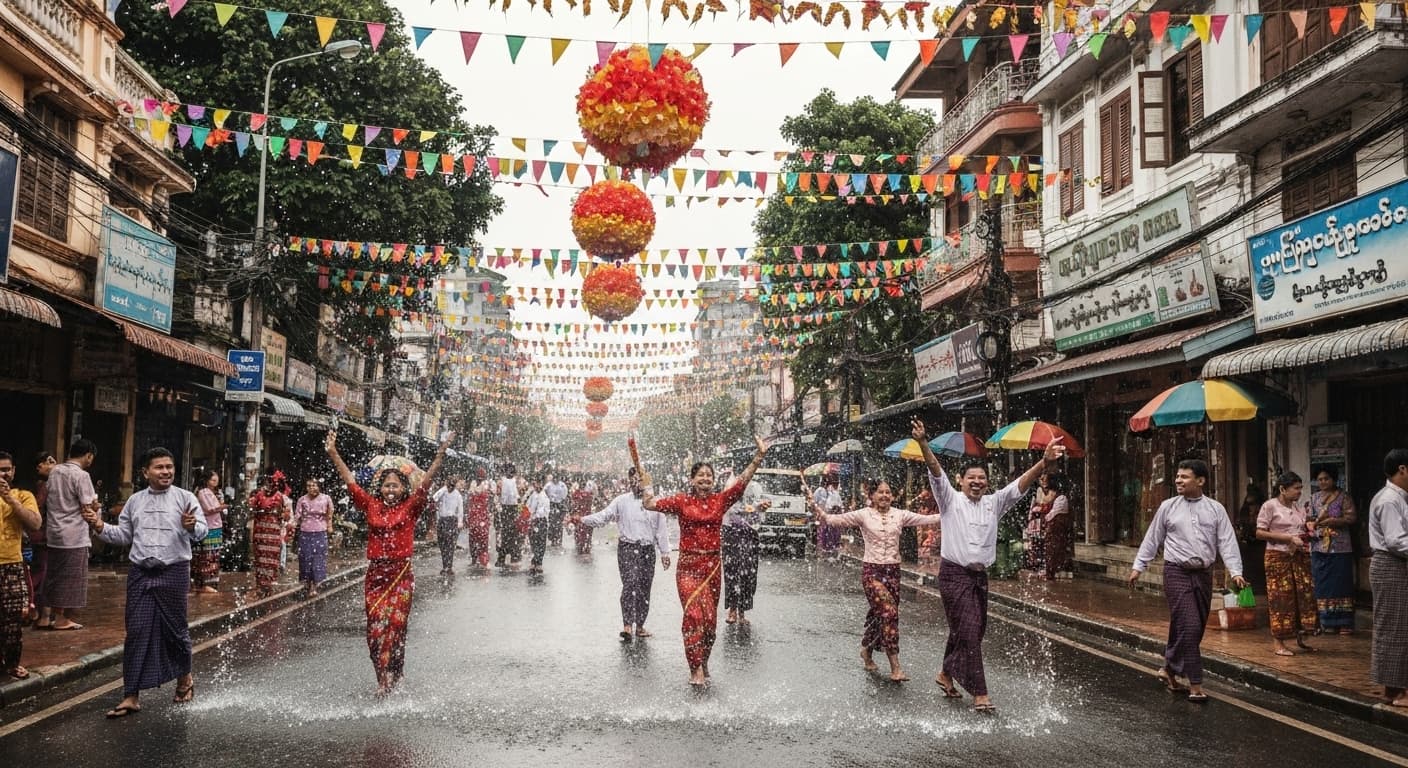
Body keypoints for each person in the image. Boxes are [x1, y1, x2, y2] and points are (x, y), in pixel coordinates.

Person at [913, 417, 1064, 713]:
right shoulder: (949, 500)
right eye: (971, 478)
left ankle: (945, 673)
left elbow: (1020, 485)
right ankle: (980, 693)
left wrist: (1043, 463)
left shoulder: (994, 503)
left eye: (981, 478)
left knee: (971, 630)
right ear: (961, 480)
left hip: (980, 578)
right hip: (953, 575)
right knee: (969, 631)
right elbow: (935, 471)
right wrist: (922, 443)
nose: (977, 482)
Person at [326, 429, 452, 694]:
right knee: (374, 631)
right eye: (387, 485)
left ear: (403, 488)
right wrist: (334, 453)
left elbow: (427, 481)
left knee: (394, 628)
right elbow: (350, 481)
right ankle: (381, 676)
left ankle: (393, 676)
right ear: (380, 488)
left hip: (400, 574)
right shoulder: (370, 505)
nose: (391, 489)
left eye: (395, 485)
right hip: (376, 575)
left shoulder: (412, 506)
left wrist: (440, 454)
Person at [85, 447, 206, 717]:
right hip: (140, 572)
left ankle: (184, 680)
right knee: (137, 631)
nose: (166, 471)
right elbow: (123, 536)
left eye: (169, 467)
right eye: (159, 467)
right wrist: (99, 525)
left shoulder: (185, 498)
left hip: (174, 570)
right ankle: (131, 695)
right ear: (145, 472)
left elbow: (201, 532)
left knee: (176, 630)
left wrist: (190, 526)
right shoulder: (135, 501)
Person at [643, 435, 768, 687]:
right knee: (693, 616)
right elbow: (649, 504)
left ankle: (704, 659)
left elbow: (741, 484)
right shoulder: (681, 501)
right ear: (692, 479)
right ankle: (695, 668)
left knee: (710, 623)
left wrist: (759, 457)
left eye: (709, 476)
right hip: (688, 567)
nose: (705, 479)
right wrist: (646, 488)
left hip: (712, 568)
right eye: (700, 475)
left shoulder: (720, 501)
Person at [1128, 459, 1246, 704]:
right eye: (1178, 477)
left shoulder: (1216, 509)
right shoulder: (1168, 507)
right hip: (1176, 572)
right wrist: (1138, 566)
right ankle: (1196, 684)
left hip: (1204, 573)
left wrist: (1235, 571)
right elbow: (1153, 538)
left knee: (1191, 625)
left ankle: (1170, 669)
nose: (1178, 481)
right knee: (1190, 625)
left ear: (1200, 481)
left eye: (1185, 477)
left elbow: (1226, 541)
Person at [815, 478, 942, 682]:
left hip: (893, 572)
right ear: (872, 496)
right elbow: (835, 520)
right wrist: (822, 514)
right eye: (880, 492)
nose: (885, 496)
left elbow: (927, 519)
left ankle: (866, 650)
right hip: (871, 572)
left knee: (880, 616)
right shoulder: (863, 515)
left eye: (888, 492)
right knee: (889, 613)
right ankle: (896, 667)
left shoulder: (900, 515)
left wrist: (951, 511)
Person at [574, 468, 672, 640]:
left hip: (647, 550)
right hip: (627, 548)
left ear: (646, 481)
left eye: (639, 479)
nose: (636, 483)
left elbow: (661, 530)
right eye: (633, 479)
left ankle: (640, 625)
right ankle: (627, 625)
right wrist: (583, 519)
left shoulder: (655, 503)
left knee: (644, 587)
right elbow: (603, 516)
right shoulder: (621, 501)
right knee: (630, 584)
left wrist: (665, 552)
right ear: (629, 481)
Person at [1256, 471, 1316, 656]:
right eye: (1295, 488)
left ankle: (1300, 636)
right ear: (1283, 489)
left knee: (1302, 596)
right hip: (1277, 556)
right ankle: (1278, 642)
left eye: (1300, 488)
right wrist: (1287, 538)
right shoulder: (1270, 506)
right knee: (1280, 598)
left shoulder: (1298, 508)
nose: (1299, 492)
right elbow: (1260, 532)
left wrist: (1308, 529)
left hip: (1298, 556)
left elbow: (1300, 528)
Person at [43, 439, 100, 631]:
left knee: (53, 575)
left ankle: (45, 616)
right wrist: (96, 507)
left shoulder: (55, 471)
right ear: (88, 455)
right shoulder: (81, 475)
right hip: (74, 534)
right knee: (71, 578)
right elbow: (87, 507)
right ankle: (62, 619)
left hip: (54, 531)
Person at [1369, 448, 1408, 708]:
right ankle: (1396, 691)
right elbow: (1396, 540)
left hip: (1396, 565)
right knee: (1394, 628)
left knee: (1398, 626)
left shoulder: (1398, 498)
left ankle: (1395, 688)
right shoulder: (1389, 500)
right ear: (1402, 469)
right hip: (1391, 565)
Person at [0, 452, 41, 680]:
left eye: (6, 469)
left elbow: (35, 523)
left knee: (13, 620)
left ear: (13, 471)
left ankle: (12, 664)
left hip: (12, 565)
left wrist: (10, 500)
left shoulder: (23, 495)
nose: (3, 474)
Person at [1308, 466, 1357, 634]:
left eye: (1326, 479)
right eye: (1320, 479)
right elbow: (1309, 518)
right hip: (1319, 546)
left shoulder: (1343, 497)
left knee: (1340, 583)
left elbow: (1351, 518)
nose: (1323, 482)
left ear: (1334, 479)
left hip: (1340, 547)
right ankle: (1326, 621)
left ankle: (1344, 623)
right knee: (1322, 584)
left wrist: (1331, 521)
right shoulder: (1313, 498)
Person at [722, 473, 769, 626]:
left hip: (751, 533)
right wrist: (754, 508)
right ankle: (732, 609)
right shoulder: (731, 485)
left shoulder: (756, 486)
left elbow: (762, 505)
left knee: (749, 573)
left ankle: (742, 611)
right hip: (732, 533)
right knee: (732, 570)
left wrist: (764, 506)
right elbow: (730, 509)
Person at [290, 478, 334, 597]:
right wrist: (292, 525)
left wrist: (330, 526)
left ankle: (314, 585)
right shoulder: (302, 499)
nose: (312, 488)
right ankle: (308, 583)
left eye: (314, 485)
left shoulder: (326, 498)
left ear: (319, 486)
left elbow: (330, 514)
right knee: (305, 558)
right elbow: (297, 515)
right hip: (305, 533)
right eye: (309, 486)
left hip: (320, 532)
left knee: (317, 559)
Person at [248, 473, 290, 598]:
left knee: (272, 559)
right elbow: (251, 509)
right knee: (260, 558)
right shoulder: (258, 496)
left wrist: (282, 515)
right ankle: (261, 585)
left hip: (273, 532)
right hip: (261, 532)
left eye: (273, 483)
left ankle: (269, 584)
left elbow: (287, 516)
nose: (270, 485)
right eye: (268, 483)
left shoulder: (281, 497)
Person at [26, 451, 56, 627]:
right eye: (49, 462)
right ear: (40, 466)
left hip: (41, 536)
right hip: (41, 536)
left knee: (40, 571)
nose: (54, 465)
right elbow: (37, 509)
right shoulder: (42, 486)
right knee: (40, 573)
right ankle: (33, 608)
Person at [191, 469, 226, 594]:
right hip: (210, 526)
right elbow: (209, 509)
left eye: (217, 480)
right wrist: (222, 507)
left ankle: (208, 582)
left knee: (212, 555)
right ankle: (206, 583)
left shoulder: (211, 492)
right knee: (208, 555)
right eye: (213, 480)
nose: (215, 482)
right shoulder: (203, 492)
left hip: (214, 526)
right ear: (207, 480)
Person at [1039, 474, 1072, 580]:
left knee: (1056, 549)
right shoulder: (1046, 496)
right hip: (1050, 529)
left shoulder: (1061, 498)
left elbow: (1053, 513)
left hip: (1057, 529)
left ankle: (1056, 571)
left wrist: (1046, 517)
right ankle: (1050, 570)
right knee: (1049, 549)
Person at [433, 477, 465, 575]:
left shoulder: (457, 495)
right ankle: (445, 566)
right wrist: (443, 489)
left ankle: (449, 567)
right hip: (442, 520)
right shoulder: (443, 492)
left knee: (450, 545)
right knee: (442, 545)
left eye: (452, 486)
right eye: (448, 486)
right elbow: (434, 498)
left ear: (454, 486)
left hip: (452, 520)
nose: (450, 488)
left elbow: (460, 510)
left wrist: (460, 521)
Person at [464, 469, 494, 568]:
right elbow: (468, 500)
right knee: (472, 537)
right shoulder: (472, 484)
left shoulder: (487, 485)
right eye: (479, 476)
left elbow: (490, 499)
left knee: (483, 537)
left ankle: (483, 558)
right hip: (473, 515)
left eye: (481, 476)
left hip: (482, 515)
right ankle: (474, 558)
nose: (480, 478)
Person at [495, 466, 522, 567]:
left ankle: (503, 557)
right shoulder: (516, 482)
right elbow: (520, 496)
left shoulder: (501, 482)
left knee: (506, 533)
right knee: (512, 533)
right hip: (510, 509)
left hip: (506, 509)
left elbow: (497, 495)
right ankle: (513, 556)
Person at [812, 475, 843, 558]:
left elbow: (838, 505)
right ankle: (818, 549)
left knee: (830, 533)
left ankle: (829, 549)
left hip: (830, 516)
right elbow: (815, 503)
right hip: (822, 515)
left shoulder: (832, 492)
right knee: (821, 533)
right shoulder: (819, 491)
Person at [525, 479, 551, 575]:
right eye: (536, 484)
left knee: (541, 542)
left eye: (539, 483)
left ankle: (539, 562)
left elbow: (546, 510)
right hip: (533, 521)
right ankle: (534, 561)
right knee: (533, 541)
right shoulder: (532, 495)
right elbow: (526, 507)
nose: (537, 486)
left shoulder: (545, 496)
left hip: (542, 521)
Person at [570, 479, 596, 555]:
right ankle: (587, 547)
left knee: (578, 533)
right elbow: (590, 504)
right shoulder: (589, 495)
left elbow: (573, 505)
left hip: (578, 517)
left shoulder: (575, 494)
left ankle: (580, 547)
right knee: (587, 534)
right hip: (587, 516)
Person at [544, 473, 569, 549]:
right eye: (554, 478)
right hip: (551, 504)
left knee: (559, 523)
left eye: (557, 478)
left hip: (560, 504)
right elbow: (544, 492)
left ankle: (559, 539)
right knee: (552, 522)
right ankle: (552, 538)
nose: (555, 480)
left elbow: (565, 494)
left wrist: (562, 502)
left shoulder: (562, 485)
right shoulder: (548, 485)